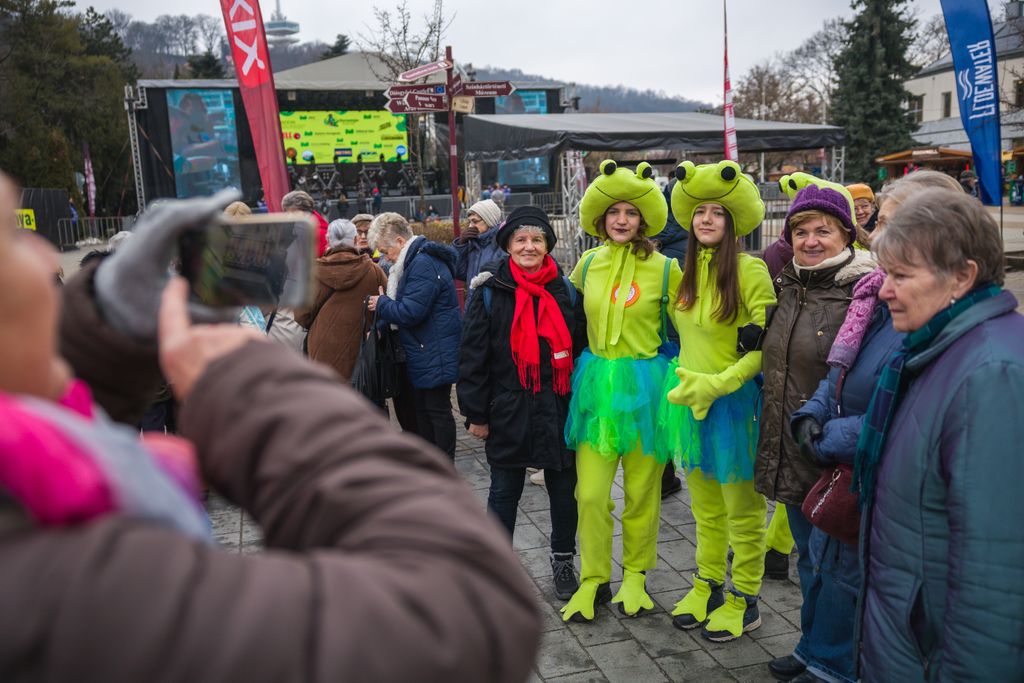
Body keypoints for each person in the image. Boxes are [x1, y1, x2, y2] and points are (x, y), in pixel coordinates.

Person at [0, 175, 541, 681]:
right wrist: (252, 386)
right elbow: (471, 607)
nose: (47, 256)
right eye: (10, 236)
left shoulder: (36, 490)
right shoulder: (54, 576)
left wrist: (105, 323)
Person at [855, 188, 1024, 681]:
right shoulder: (940, 348)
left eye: (901, 276)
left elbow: (997, 584)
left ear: (962, 277)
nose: (884, 291)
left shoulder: (992, 375)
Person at [757, 182, 875, 677]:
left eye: (822, 231)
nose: (810, 240)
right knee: (809, 559)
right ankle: (812, 648)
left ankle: (836, 660)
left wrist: (830, 435)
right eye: (801, 231)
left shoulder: (862, 293)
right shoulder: (789, 285)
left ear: (847, 233)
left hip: (832, 452)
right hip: (793, 447)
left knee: (837, 567)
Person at [656, 161, 777, 642]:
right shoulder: (683, 274)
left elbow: (766, 346)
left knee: (742, 511)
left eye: (718, 212)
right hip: (689, 405)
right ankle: (707, 585)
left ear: (733, 220)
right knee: (705, 509)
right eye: (700, 211)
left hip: (734, 409)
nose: (707, 219)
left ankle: (745, 599)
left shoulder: (751, 270)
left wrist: (721, 383)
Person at [559, 161, 682, 623]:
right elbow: (562, 311)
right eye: (614, 212)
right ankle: (594, 577)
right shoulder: (588, 263)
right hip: (596, 389)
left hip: (647, 389)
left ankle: (635, 574)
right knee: (590, 494)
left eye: (631, 212)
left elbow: (691, 324)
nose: (622, 219)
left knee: (642, 492)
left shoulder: (666, 269)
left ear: (644, 219)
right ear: (601, 217)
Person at [458, 205, 587, 601]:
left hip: (557, 407)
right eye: (521, 239)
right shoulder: (490, 293)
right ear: (508, 245)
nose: (529, 246)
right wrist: (476, 414)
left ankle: (563, 560)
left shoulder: (566, 292)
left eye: (537, 239)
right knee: (503, 492)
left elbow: (582, 351)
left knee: (563, 493)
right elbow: (473, 358)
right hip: (508, 409)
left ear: (547, 245)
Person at [367, 213, 460, 459]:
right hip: (426, 347)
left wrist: (382, 303)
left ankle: (443, 466)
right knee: (425, 410)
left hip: (433, 349)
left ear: (400, 241)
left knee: (436, 411)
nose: (385, 257)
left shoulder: (422, 264)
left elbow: (410, 312)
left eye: (385, 251)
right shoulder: (415, 260)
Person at [295, 219, 387, 381]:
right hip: (363, 351)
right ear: (355, 239)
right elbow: (386, 308)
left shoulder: (311, 273)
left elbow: (301, 316)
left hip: (323, 351)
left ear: (328, 240)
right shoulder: (374, 271)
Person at [453, 198, 503, 309]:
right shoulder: (473, 243)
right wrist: (461, 245)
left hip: (492, 309)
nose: (471, 226)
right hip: (473, 308)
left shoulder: (502, 245)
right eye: (470, 222)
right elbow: (459, 273)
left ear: (489, 221)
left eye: (475, 221)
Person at [281, 189, 328, 257]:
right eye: (287, 213)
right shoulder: (295, 230)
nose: (290, 217)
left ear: (306, 211)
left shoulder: (320, 233)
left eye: (294, 213)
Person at [846, 183, 876, 248]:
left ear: (872, 206)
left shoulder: (884, 229)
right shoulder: (846, 237)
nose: (860, 212)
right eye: (854, 208)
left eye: (864, 206)